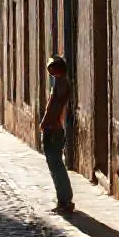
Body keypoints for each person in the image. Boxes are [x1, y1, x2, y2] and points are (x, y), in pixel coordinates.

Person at [41, 55, 74, 214]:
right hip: (55, 128)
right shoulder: (60, 83)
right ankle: (64, 200)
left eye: (54, 67)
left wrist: (46, 122)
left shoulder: (61, 84)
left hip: (55, 129)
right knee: (56, 165)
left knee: (56, 165)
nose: (51, 70)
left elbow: (55, 108)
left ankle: (65, 200)